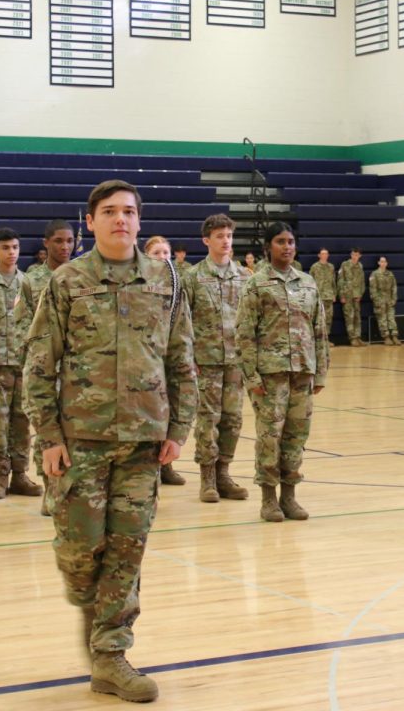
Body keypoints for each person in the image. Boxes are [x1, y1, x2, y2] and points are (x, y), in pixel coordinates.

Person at [24, 179, 197, 703]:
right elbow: (38, 365)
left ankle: (111, 655)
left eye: (128, 212)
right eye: (109, 212)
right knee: (81, 554)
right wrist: (49, 436)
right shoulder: (66, 283)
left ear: (139, 222)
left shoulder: (165, 282)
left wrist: (179, 428)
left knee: (127, 549)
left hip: (143, 442)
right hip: (80, 442)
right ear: (90, 222)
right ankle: (91, 605)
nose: (120, 219)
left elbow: (181, 360)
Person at [237, 223, 328, 523]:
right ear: (268, 247)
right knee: (269, 437)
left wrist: (321, 372)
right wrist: (251, 376)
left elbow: (319, 330)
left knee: (296, 435)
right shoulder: (256, 284)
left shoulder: (308, 283)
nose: (287, 247)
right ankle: (268, 499)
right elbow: (245, 333)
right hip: (269, 374)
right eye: (280, 242)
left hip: (302, 371)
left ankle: (289, 496)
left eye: (290, 242)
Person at [184, 214, 249, 503]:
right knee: (208, 420)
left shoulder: (246, 276)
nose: (226, 241)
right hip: (205, 360)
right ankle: (207, 477)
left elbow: (252, 321)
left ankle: (224, 472)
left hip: (236, 361)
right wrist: (188, 357)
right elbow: (181, 323)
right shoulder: (193, 277)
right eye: (220, 236)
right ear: (206, 240)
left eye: (229, 235)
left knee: (233, 420)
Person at [13, 219, 76, 511]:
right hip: (44, 365)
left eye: (69, 241)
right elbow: (21, 324)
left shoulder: (79, 277)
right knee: (46, 428)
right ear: (46, 243)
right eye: (59, 241)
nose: (65, 247)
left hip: (75, 367)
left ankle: (67, 487)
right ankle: (50, 488)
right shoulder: (31, 280)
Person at [0, 228, 42, 501]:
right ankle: (0, 476)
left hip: (23, 364)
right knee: (0, 424)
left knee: (22, 422)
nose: (11, 252)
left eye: (15, 247)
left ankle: (20, 475)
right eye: (5, 247)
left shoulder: (28, 283)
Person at [141, 235, 188, 487]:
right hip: (147, 359)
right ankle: (150, 466)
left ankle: (166, 463)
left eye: (165, 253)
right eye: (157, 253)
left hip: (170, 358)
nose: (162, 257)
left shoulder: (177, 284)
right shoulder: (139, 283)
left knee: (171, 408)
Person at [337, 246, 366, 346]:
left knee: (357, 317)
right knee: (349, 317)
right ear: (351, 254)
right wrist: (342, 295)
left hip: (357, 295)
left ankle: (358, 337)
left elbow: (362, 281)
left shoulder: (360, 266)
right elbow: (340, 280)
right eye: (353, 254)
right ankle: (352, 338)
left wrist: (361, 294)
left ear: (360, 256)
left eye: (357, 255)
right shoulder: (345, 265)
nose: (355, 256)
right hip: (347, 295)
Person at [368, 256, 400, 346]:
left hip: (389, 300)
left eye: (384, 261)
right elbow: (372, 289)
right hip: (380, 301)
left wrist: (394, 298)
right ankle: (386, 337)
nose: (383, 263)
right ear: (378, 263)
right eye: (381, 261)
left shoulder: (390, 274)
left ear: (386, 263)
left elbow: (394, 287)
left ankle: (394, 336)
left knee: (391, 318)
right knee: (382, 319)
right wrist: (376, 300)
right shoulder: (374, 274)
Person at [308, 249, 336, 342]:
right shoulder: (314, 267)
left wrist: (334, 294)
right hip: (318, 296)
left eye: (326, 254)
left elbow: (333, 282)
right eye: (323, 254)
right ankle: (319, 339)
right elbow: (310, 282)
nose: (324, 255)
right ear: (319, 255)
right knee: (319, 319)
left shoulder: (331, 267)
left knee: (328, 318)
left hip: (329, 296)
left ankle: (326, 338)